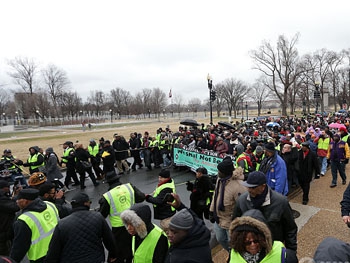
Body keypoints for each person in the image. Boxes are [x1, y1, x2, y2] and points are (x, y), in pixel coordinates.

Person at [233, 171, 298, 252]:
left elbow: (290, 229)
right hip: (251, 250)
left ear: (263, 186)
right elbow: (235, 226)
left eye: (253, 187)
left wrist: (291, 252)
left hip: (273, 250)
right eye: (248, 187)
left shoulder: (281, 202)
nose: (249, 190)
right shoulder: (241, 201)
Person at [45, 192, 117, 263]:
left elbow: (53, 251)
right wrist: (113, 255)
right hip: (96, 259)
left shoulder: (62, 224)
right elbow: (109, 240)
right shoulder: (98, 217)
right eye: (90, 202)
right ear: (86, 203)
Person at [99, 171, 145, 263]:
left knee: (119, 253)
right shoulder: (129, 187)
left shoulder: (107, 196)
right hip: (134, 223)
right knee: (134, 247)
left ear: (108, 183)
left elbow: (102, 214)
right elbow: (141, 197)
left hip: (119, 229)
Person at [10, 188, 59, 263]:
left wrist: (11, 261)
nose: (16, 202)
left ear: (25, 201)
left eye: (18, 200)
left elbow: (19, 247)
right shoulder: (50, 205)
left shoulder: (24, 220)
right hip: (59, 248)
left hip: (40, 257)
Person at [229, 209, 297, 263]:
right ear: (239, 241)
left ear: (263, 238)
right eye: (247, 242)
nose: (253, 245)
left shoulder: (285, 256)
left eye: (256, 241)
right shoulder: (233, 254)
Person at [209, 156, 247, 252]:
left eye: (219, 171)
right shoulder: (220, 180)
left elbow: (243, 207)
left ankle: (233, 256)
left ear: (225, 172)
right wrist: (211, 210)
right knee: (220, 239)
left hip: (231, 222)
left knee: (233, 244)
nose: (218, 173)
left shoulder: (239, 186)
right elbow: (216, 195)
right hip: (219, 218)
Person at [165, 198, 212, 263]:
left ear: (187, 231)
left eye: (174, 232)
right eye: (169, 230)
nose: (169, 235)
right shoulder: (199, 235)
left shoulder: (187, 259)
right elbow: (195, 218)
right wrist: (180, 206)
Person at [0, 180, 20, 256]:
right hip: (3, 234)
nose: (9, 189)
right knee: (6, 255)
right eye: (8, 187)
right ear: (3, 188)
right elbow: (15, 207)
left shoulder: (3, 198)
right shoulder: (2, 199)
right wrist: (17, 196)